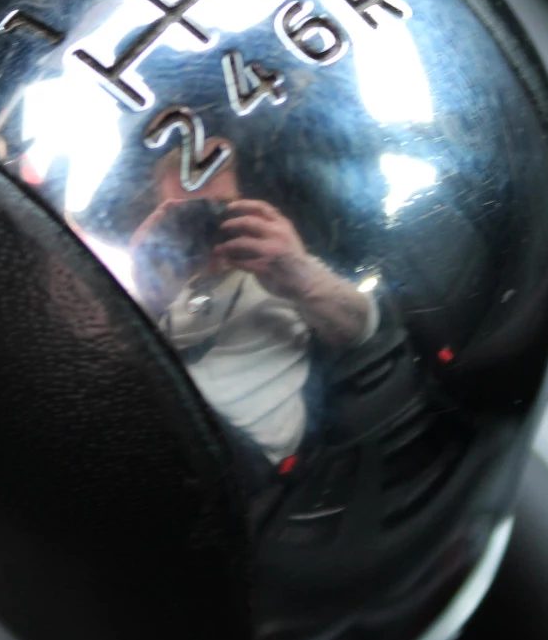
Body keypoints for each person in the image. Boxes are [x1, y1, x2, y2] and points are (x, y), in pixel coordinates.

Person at [130, 153, 376, 465]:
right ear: (161, 220)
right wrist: (149, 296)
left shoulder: (279, 271)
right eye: (187, 212)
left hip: (242, 464)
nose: (205, 223)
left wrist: (304, 279)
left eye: (218, 207)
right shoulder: (162, 291)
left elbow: (360, 328)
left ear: (243, 204)